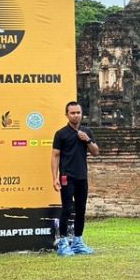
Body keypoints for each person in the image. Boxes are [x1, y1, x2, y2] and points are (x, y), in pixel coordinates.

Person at [51, 101, 99, 256]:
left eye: (78, 112)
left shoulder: (86, 132)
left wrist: (88, 140)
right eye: (72, 113)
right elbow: (55, 156)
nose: (76, 115)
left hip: (81, 176)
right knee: (67, 209)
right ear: (66, 114)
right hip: (66, 176)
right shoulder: (61, 134)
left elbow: (95, 152)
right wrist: (54, 178)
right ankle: (63, 243)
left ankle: (78, 242)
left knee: (81, 209)